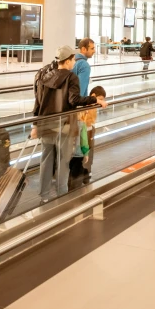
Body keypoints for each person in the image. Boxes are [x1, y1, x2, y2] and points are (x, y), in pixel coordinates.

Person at [32, 45, 106, 204]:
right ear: (68, 61)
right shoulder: (71, 78)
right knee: (63, 161)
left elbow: (38, 101)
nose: (74, 62)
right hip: (63, 124)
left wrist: (35, 124)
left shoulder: (45, 75)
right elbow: (74, 100)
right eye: (73, 59)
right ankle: (61, 195)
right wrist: (95, 100)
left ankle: (44, 196)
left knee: (46, 160)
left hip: (45, 124)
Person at [69, 85, 106, 188]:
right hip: (85, 131)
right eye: (100, 99)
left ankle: (86, 174)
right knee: (84, 154)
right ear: (93, 95)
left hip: (89, 131)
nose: (101, 102)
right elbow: (83, 122)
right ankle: (82, 177)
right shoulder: (87, 105)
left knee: (89, 154)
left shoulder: (92, 105)